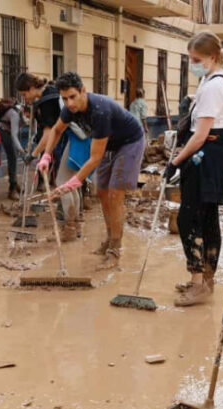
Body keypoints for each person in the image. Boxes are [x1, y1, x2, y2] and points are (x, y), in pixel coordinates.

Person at [41, 72, 145, 269]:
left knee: (115, 194)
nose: (69, 103)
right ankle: (109, 238)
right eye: (64, 98)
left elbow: (95, 158)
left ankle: (115, 249)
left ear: (83, 91)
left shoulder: (100, 110)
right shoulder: (69, 110)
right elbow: (56, 130)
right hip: (110, 144)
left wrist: (74, 182)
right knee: (101, 192)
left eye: (72, 96)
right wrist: (47, 155)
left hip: (130, 142)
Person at [162, 32, 223, 307]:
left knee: (191, 219)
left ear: (212, 58)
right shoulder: (210, 80)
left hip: (208, 153)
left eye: (196, 59)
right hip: (207, 151)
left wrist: (176, 162)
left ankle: (199, 283)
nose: (192, 64)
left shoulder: (215, 85)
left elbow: (201, 134)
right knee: (203, 217)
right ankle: (204, 279)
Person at [15, 72, 65, 190]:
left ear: (32, 88)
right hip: (67, 139)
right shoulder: (50, 91)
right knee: (67, 180)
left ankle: (66, 207)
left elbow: (48, 134)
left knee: (64, 181)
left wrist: (32, 155)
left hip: (68, 140)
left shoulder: (47, 101)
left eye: (24, 94)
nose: (24, 98)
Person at [0, 98, 26, 200]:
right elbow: (14, 135)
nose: (29, 119)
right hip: (3, 130)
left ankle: (14, 183)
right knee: (13, 158)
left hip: (10, 130)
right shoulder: (15, 114)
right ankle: (12, 189)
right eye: (28, 117)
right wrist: (21, 149)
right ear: (24, 112)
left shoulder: (23, 111)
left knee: (14, 158)